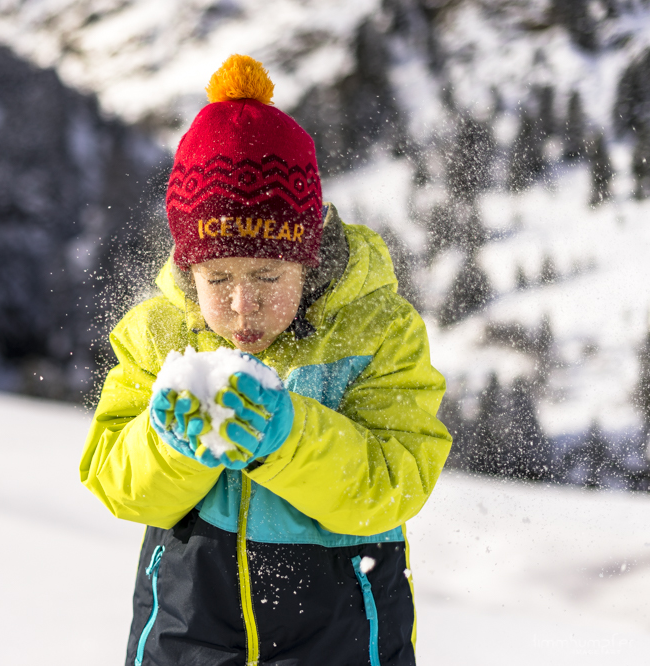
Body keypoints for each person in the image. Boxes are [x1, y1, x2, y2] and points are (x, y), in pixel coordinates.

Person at [79, 54, 452, 666]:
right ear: (187, 268)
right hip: (187, 626)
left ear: (307, 258)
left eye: (267, 274)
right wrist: (170, 443)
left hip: (339, 631)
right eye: (218, 276)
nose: (241, 303)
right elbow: (120, 486)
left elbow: (396, 482)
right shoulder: (159, 336)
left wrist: (286, 438)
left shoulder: (377, 331)